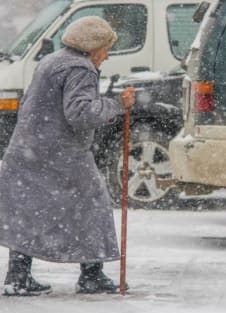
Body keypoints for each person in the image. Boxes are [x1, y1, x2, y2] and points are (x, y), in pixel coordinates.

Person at [0, 16, 135, 296]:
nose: (107, 56)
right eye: (106, 48)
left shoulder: (53, 60)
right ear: (92, 47)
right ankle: (91, 276)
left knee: (29, 209)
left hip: (29, 148)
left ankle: (18, 276)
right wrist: (116, 104)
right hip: (61, 153)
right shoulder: (80, 68)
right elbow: (81, 114)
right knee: (93, 204)